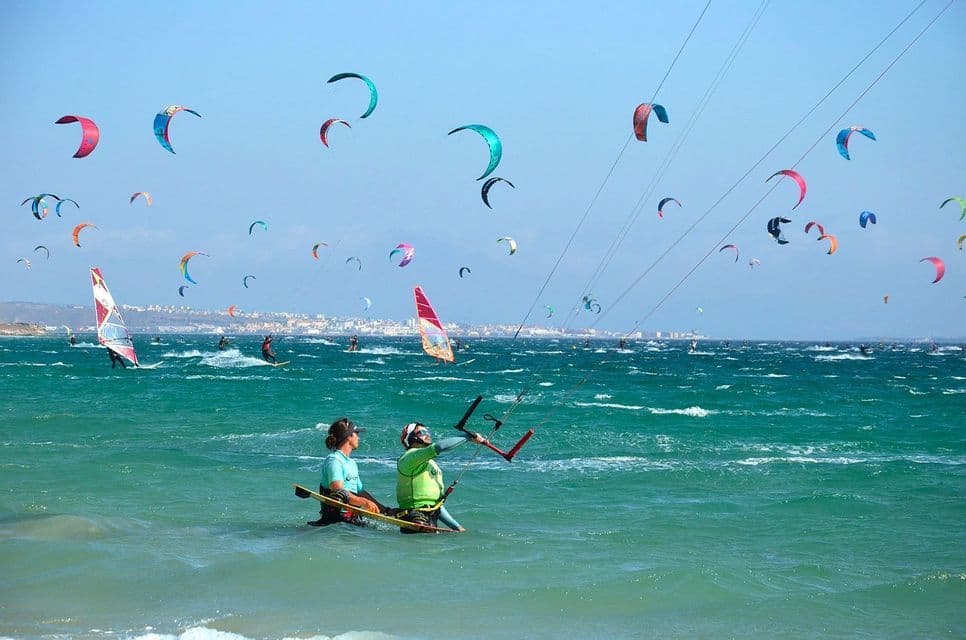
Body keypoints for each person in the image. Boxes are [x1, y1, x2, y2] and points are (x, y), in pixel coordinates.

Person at [396, 422, 487, 533]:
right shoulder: (409, 457)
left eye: (427, 432)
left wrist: (456, 527)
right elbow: (440, 446)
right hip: (414, 516)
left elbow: (436, 506)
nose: (427, 435)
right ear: (411, 437)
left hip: (430, 516)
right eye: (422, 432)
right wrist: (468, 436)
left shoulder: (429, 463)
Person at [310, 418, 392, 527]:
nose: (358, 437)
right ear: (348, 436)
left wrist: (385, 510)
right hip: (333, 524)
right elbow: (337, 489)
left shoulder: (352, 463)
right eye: (356, 433)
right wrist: (363, 502)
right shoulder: (334, 460)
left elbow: (361, 492)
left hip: (352, 522)